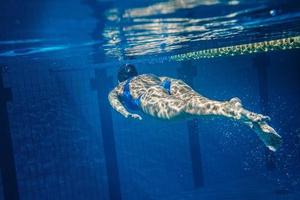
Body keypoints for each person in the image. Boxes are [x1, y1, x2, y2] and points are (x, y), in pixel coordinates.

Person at [108, 64, 282, 151]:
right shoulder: (149, 75)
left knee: (188, 109)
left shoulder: (118, 88)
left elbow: (115, 103)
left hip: (148, 96)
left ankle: (239, 112)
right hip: (169, 82)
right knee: (201, 105)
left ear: (119, 79)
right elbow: (164, 81)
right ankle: (240, 113)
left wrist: (126, 114)